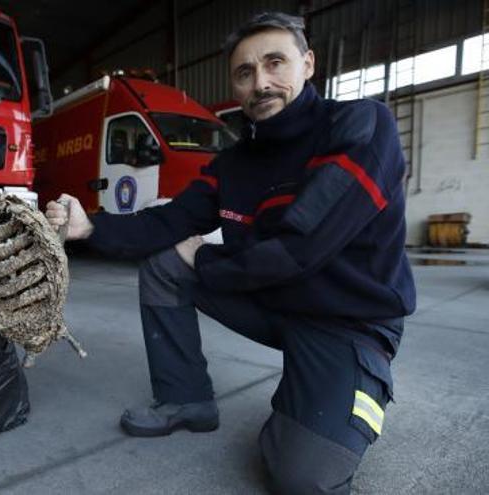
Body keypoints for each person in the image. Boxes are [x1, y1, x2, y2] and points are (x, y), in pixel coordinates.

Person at [46, 12, 415, 495]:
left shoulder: (361, 127)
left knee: (302, 478)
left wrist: (204, 259)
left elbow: (300, 248)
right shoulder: (234, 164)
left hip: (348, 320)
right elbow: (169, 222)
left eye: (274, 63)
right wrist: (90, 224)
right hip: (277, 302)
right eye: (245, 72)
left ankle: (331, 393)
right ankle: (186, 399)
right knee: (163, 262)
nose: (260, 83)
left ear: (307, 64)